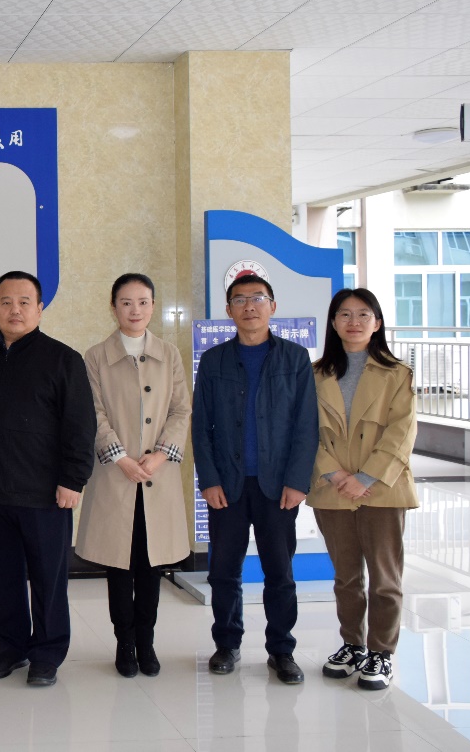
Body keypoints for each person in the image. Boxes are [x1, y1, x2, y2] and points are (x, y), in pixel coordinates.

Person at [0, 271, 96, 686]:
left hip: (45, 492)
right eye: (6, 302)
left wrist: (73, 479)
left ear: (39, 308)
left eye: (23, 302)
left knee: (48, 578)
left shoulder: (63, 359)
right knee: (2, 576)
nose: (14, 310)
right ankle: (11, 647)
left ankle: (47, 654)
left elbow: (80, 426)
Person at [193, 274, 317, 684]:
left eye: (258, 298)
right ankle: (227, 643)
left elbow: (306, 425)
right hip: (227, 485)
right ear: (228, 310)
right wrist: (208, 479)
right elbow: (201, 427)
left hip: (277, 486)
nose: (250, 306)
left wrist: (298, 481)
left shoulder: (295, 359)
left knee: (279, 573)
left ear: (273, 307)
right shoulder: (213, 361)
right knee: (224, 571)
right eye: (240, 299)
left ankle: (282, 650)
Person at [75, 273, 191, 679]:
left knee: (151, 566)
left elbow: (181, 410)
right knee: (119, 567)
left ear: (153, 306)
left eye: (143, 302)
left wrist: (159, 456)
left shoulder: (169, 354)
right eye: (126, 302)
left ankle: (147, 642)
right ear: (113, 307)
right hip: (116, 476)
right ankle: (124, 643)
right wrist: (122, 458)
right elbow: (93, 412)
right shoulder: (95, 356)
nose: (135, 310)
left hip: (158, 476)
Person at [309, 288, 417, 691]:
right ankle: (352, 645)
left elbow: (402, 432)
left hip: (382, 490)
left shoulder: (398, 374)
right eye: (345, 314)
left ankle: (381, 652)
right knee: (346, 578)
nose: (353, 322)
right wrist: (335, 475)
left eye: (363, 314)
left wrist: (366, 477)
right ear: (333, 323)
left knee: (385, 579)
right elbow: (305, 432)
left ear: (377, 323)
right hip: (333, 489)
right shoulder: (315, 374)